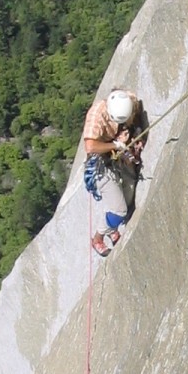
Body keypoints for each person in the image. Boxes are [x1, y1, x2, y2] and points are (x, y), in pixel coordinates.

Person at [83, 89, 146, 256]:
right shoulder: (97, 117)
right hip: (100, 166)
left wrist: (137, 136)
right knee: (120, 210)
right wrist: (116, 145)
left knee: (126, 194)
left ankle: (112, 229)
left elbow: (136, 110)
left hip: (113, 158)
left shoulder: (125, 100)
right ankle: (98, 238)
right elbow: (90, 146)